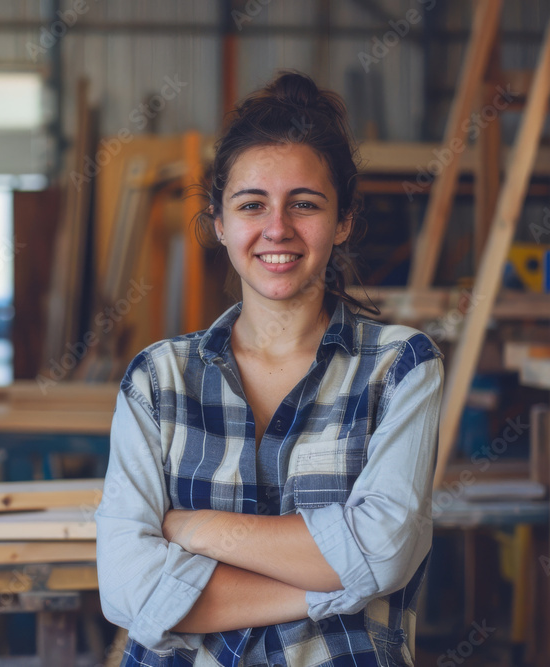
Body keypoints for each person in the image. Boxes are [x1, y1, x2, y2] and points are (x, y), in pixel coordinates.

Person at [95, 70, 444, 667]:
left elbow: (382, 552)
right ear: (219, 222)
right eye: (252, 204)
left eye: (304, 204)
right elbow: (128, 588)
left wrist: (193, 528)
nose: (277, 229)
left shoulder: (400, 368)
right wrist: (330, 584)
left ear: (343, 221)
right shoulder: (157, 381)